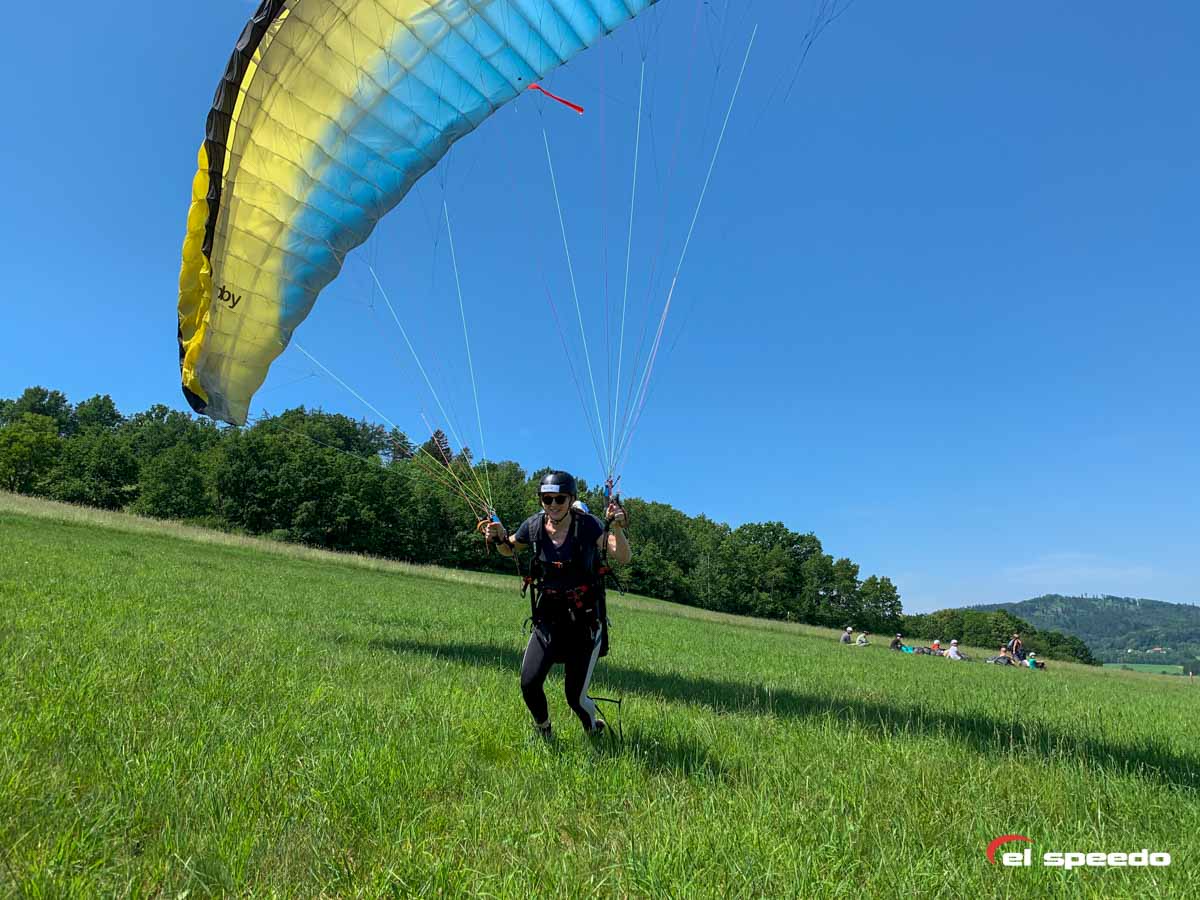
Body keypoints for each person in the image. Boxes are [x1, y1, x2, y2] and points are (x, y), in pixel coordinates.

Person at [486, 471, 630, 740]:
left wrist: (619, 528)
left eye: (559, 499)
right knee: (529, 682)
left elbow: (622, 556)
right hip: (549, 618)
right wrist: (498, 536)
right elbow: (509, 548)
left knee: (574, 697)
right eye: (547, 499)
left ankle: (593, 728)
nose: (553, 505)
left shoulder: (587, 526)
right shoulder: (533, 526)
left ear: (571, 499)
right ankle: (544, 730)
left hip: (584, 622)